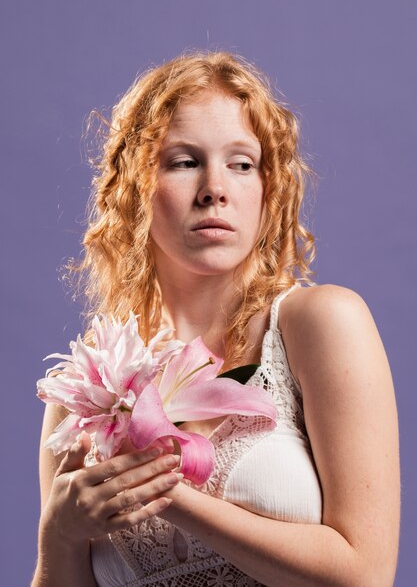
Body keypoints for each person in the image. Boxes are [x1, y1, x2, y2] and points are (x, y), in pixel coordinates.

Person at [32, 51, 400, 587]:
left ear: (267, 191)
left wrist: (168, 495)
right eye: (183, 161)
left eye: (241, 163)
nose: (215, 188)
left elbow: (364, 575)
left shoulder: (319, 324)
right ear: (135, 189)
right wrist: (58, 538)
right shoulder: (86, 391)